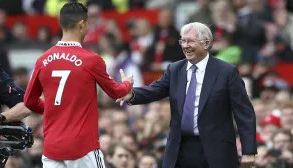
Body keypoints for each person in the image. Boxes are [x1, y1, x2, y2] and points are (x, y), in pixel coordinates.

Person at [117, 22, 257, 168]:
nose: (185, 45)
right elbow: (154, 90)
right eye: (183, 41)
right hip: (180, 149)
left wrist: (248, 150)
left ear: (206, 43)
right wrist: (131, 94)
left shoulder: (227, 72)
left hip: (217, 150)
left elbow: (244, 112)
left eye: (190, 41)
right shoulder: (175, 69)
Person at [23, 2, 133, 168]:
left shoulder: (42, 60)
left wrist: (53, 110)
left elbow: (29, 101)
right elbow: (116, 92)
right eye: (88, 23)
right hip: (82, 149)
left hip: (52, 147)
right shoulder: (91, 60)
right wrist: (127, 83)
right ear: (82, 24)